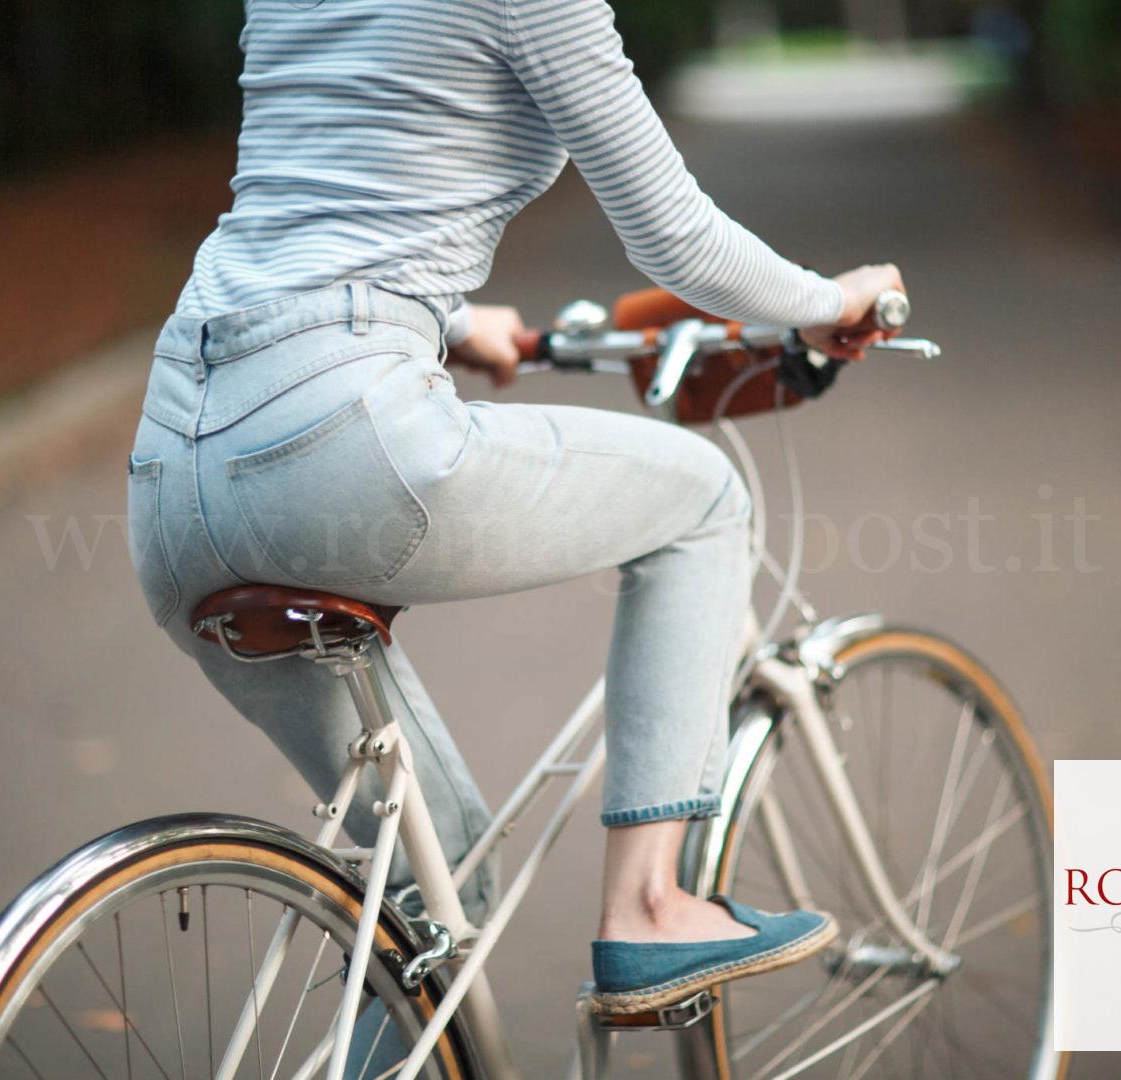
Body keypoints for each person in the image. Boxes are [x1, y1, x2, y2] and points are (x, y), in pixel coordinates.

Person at [126, 0, 904, 1015]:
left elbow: (328, 177)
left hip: (172, 461)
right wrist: (824, 300)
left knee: (432, 886)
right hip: (338, 439)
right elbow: (674, 235)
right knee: (704, 500)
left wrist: (444, 317)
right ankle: (651, 908)